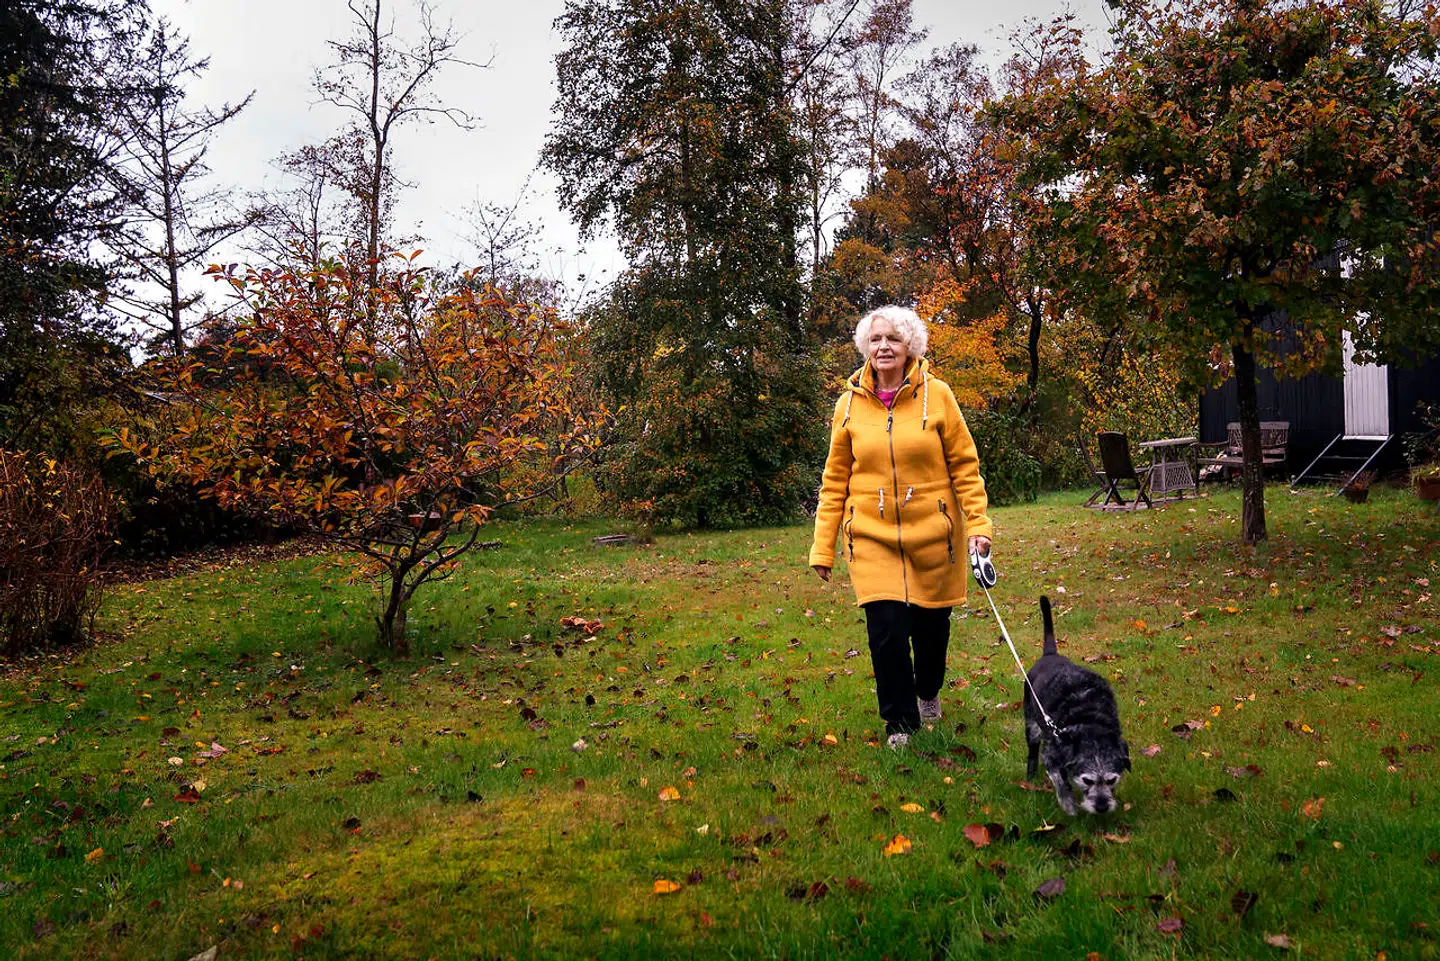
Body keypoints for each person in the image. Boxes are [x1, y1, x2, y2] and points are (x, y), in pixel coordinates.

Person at [809, 305, 993, 749]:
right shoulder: (848, 404)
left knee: (931, 631)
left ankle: (927, 690)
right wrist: (822, 545)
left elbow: (965, 467)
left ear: (910, 344)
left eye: (892, 338)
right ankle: (900, 725)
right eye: (875, 340)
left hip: (934, 535)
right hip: (872, 535)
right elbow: (835, 479)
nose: (884, 347)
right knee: (887, 630)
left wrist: (979, 525)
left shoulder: (939, 395)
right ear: (864, 348)